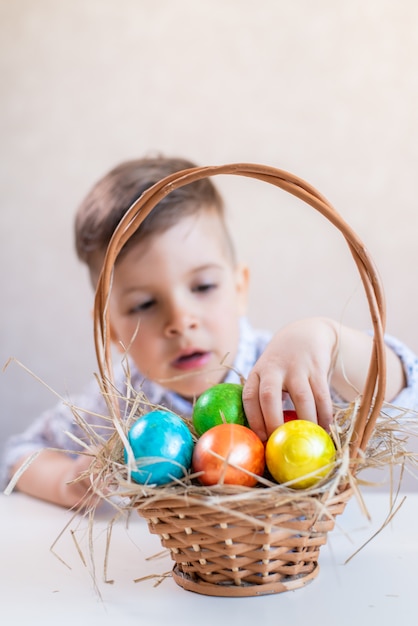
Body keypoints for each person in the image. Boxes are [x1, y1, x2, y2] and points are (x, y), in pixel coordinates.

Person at [2, 155, 418, 509]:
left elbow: (401, 388)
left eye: (202, 287)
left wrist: (326, 338)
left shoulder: (283, 371)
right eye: (144, 304)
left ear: (240, 289)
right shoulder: (120, 407)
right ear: (112, 330)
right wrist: (67, 482)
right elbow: (19, 455)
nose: (181, 321)